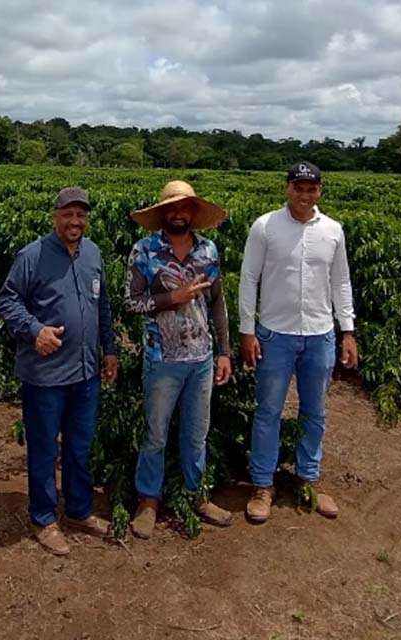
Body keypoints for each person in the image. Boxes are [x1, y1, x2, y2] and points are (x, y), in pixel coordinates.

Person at [0, 186, 117, 556]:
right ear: (55, 216)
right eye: (68, 214)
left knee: (80, 447)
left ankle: (79, 510)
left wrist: (109, 350)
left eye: (81, 215)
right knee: (45, 448)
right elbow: (7, 299)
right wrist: (35, 331)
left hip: (85, 374)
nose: (74, 222)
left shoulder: (93, 253)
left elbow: (103, 306)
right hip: (45, 376)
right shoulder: (32, 256)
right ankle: (43, 517)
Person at [238, 162, 358, 522]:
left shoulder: (333, 231)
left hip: (320, 335)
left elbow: (341, 283)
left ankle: (309, 479)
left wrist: (347, 331)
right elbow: (249, 278)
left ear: (320, 191)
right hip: (275, 333)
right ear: (287, 188)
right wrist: (247, 330)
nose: (305, 195)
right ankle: (263, 485)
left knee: (315, 412)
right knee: (268, 412)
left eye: (312, 188)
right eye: (298, 187)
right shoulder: (265, 226)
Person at [124, 180, 234, 539]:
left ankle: (196, 495)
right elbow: (132, 302)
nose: (178, 214)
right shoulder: (144, 251)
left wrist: (224, 351)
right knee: (155, 434)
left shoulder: (209, 251)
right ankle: (148, 500)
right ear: (162, 214)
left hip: (201, 359)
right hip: (162, 359)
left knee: (196, 434)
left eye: (184, 208)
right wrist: (174, 296)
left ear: (192, 213)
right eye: (171, 208)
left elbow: (216, 303)